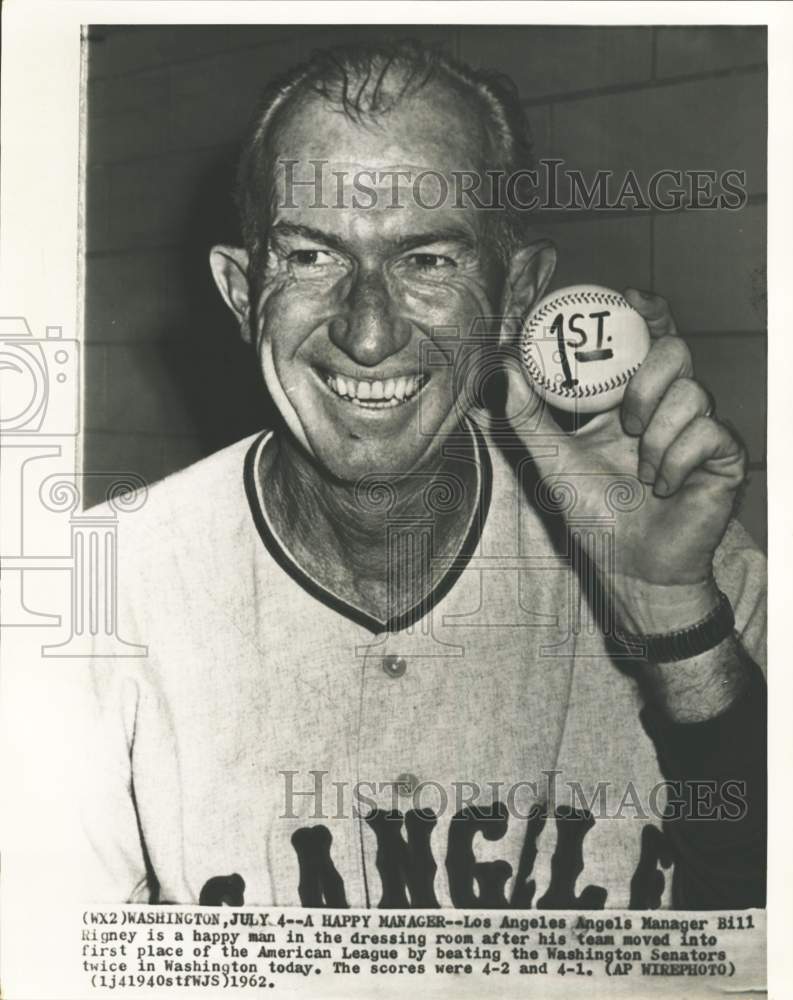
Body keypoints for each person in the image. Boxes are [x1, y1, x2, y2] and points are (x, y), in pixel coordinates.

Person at [80, 40, 765, 910]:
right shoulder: (102, 591)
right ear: (238, 291)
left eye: (428, 260)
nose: (367, 333)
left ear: (516, 295)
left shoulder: (685, 558)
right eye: (311, 257)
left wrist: (673, 623)